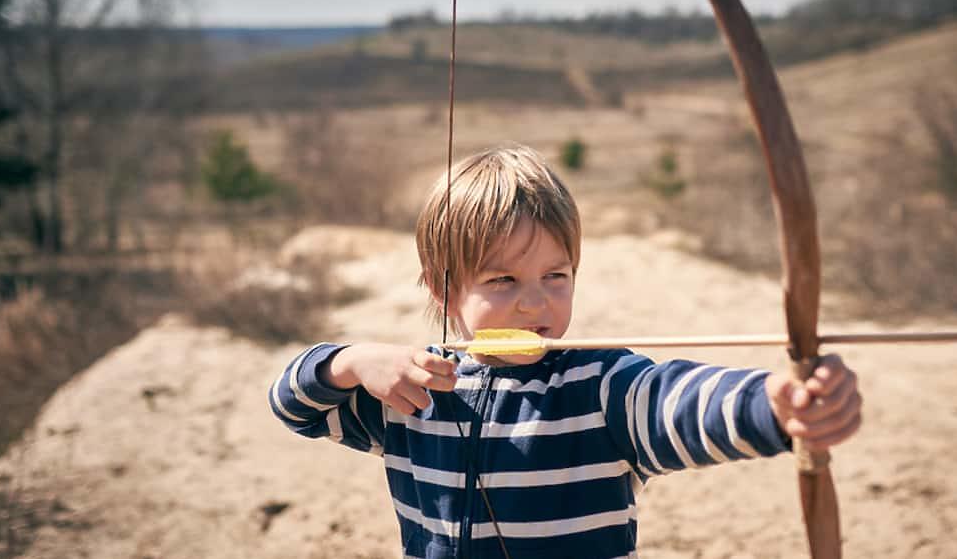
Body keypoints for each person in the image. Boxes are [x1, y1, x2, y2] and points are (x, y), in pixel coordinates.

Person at [269, 144, 862, 559]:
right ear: (442, 287)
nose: (536, 305)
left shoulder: (599, 385)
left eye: (557, 275)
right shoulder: (414, 387)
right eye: (503, 281)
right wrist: (348, 363)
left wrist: (777, 406)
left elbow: (673, 403)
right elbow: (293, 405)